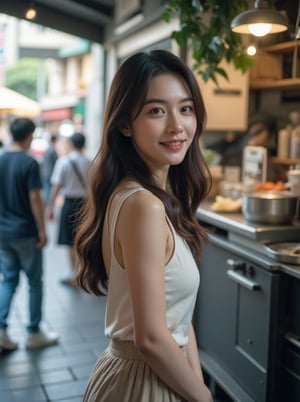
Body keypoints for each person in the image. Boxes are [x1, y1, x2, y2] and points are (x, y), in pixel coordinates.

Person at [74, 50, 213, 402]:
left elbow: (177, 320)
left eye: (185, 108)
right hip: (143, 384)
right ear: (125, 123)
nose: (176, 125)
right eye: (156, 110)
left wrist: (197, 385)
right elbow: (150, 338)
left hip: (152, 374)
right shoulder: (143, 205)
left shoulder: (142, 195)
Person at [0, 117, 59, 351]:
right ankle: (34, 332)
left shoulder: (1, 159)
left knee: (9, 279)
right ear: (29, 135)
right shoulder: (29, 163)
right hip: (25, 232)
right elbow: (36, 197)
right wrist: (42, 230)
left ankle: (1, 330)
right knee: (35, 282)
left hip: (3, 233)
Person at [46, 133, 91, 286]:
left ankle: (74, 275)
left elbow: (56, 186)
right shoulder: (90, 162)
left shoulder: (64, 162)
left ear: (71, 144)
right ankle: (82, 272)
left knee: (70, 241)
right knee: (83, 239)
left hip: (69, 203)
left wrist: (50, 206)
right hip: (86, 204)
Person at [41, 134, 58, 203]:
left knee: (46, 189)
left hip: (45, 172)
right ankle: (48, 203)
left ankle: (46, 202)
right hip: (50, 173)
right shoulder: (52, 150)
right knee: (49, 190)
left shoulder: (47, 150)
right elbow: (56, 163)